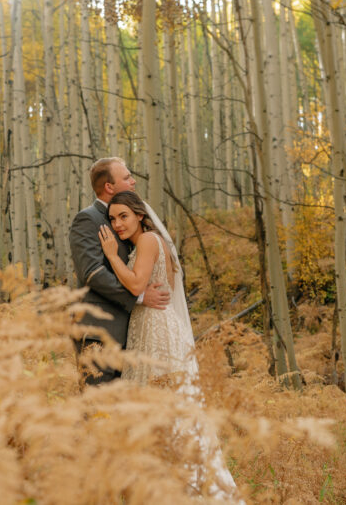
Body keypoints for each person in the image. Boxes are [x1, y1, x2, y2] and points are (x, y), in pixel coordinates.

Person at [99, 189, 242, 499]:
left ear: (139, 214)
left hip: (157, 331)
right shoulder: (147, 243)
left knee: (164, 411)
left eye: (124, 216)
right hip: (154, 326)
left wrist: (111, 255)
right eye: (112, 219)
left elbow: (137, 284)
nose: (118, 224)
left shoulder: (149, 240)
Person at [69, 158, 170, 386]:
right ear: (109, 187)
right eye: (126, 177)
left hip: (134, 336)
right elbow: (92, 273)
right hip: (100, 334)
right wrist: (140, 296)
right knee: (98, 412)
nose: (133, 181)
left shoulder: (134, 222)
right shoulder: (87, 219)